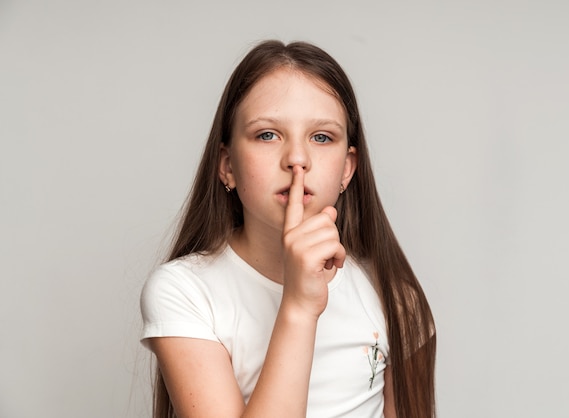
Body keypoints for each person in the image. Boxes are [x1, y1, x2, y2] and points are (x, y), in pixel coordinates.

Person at [140, 40, 436, 418]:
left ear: (347, 169)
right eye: (267, 135)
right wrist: (298, 305)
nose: (297, 159)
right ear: (227, 165)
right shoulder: (184, 292)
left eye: (321, 137)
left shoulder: (395, 300)